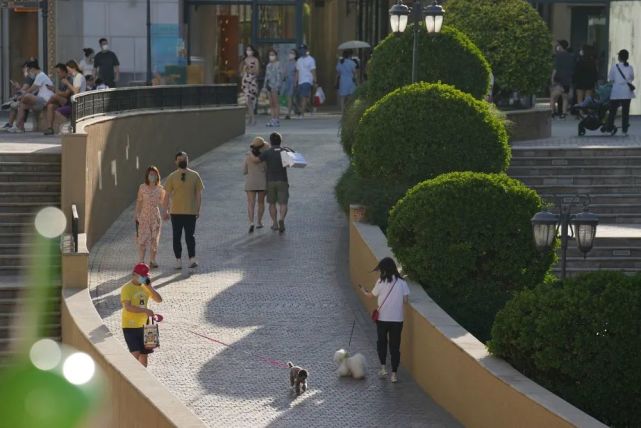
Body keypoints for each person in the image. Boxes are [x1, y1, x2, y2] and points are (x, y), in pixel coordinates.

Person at [360, 257, 410, 383]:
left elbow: (370, 296)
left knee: (381, 343)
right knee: (395, 347)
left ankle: (383, 368)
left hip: (382, 319)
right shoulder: (402, 282)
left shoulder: (381, 282)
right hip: (397, 320)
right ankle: (394, 374)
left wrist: (363, 290)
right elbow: (405, 300)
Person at [162, 152, 204, 269]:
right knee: (176, 236)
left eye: (184, 158)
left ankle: (192, 259)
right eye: (180, 159)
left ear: (188, 160)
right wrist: (165, 210)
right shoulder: (172, 176)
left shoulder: (195, 175)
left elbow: (198, 194)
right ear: (176, 162)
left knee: (190, 236)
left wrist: (198, 209)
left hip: (190, 212)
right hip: (175, 212)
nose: (182, 160)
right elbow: (166, 195)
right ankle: (178, 260)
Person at [120, 263, 162, 367]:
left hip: (146, 326)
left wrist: (150, 288)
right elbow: (128, 307)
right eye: (142, 275)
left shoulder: (146, 287)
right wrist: (145, 311)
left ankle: (141, 381)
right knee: (135, 354)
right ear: (134, 274)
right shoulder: (126, 288)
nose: (145, 278)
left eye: (146, 275)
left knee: (144, 356)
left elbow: (159, 300)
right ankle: (129, 377)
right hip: (130, 326)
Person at [249, 132, 289, 233]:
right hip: (283, 180)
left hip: (270, 181)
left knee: (272, 203)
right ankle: (282, 219)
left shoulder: (267, 152)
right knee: (283, 203)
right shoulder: (285, 151)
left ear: (270, 142)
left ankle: (275, 223)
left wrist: (249, 154)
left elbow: (256, 160)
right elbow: (289, 164)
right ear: (280, 141)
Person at [9, 60, 54, 133]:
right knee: (22, 105)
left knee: (26, 97)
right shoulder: (38, 76)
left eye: (29, 71)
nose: (29, 73)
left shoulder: (41, 75)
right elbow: (33, 91)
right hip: (39, 101)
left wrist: (21, 96)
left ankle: (17, 124)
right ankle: (19, 127)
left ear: (32, 69)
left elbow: (32, 89)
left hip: (45, 100)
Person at [136, 166, 167, 267]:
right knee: (142, 238)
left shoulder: (160, 189)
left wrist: (167, 211)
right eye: (150, 174)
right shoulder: (142, 187)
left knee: (154, 238)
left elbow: (164, 202)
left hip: (155, 216)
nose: (152, 176)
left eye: (154, 174)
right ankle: (141, 261)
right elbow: (139, 201)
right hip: (144, 216)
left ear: (157, 176)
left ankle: (153, 260)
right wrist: (137, 214)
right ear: (147, 175)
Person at [606, 49, 635, 136]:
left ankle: (610, 129)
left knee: (612, 112)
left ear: (619, 57)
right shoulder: (630, 67)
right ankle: (624, 130)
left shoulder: (614, 67)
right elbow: (632, 78)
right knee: (625, 112)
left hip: (616, 92)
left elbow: (611, 78)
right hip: (626, 93)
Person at [49, 60, 87, 126]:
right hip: (73, 102)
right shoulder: (74, 77)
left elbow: (76, 92)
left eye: (68, 69)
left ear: (74, 68)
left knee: (57, 112)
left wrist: (67, 83)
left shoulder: (78, 77)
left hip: (78, 103)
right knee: (51, 106)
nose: (68, 71)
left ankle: (69, 126)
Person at [243, 137, 269, 233]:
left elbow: (244, 171)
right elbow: (267, 169)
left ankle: (251, 222)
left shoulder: (248, 156)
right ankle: (259, 222)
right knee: (261, 203)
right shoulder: (265, 156)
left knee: (251, 203)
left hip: (250, 182)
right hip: (262, 182)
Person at [1, 61, 35, 130]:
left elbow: (23, 90)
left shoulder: (29, 78)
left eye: (24, 68)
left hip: (29, 99)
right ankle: (10, 124)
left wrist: (18, 87)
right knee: (14, 105)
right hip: (26, 98)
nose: (23, 70)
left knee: (16, 104)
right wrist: (16, 88)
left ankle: (16, 125)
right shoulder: (29, 78)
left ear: (27, 68)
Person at [42, 63, 73, 135]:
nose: (58, 74)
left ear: (64, 72)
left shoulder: (69, 80)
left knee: (54, 96)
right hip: (61, 102)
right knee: (50, 106)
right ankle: (50, 128)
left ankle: (45, 104)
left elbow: (66, 94)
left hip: (68, 102)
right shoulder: (61, 80)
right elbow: (59, 92)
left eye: (58, 72)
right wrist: (53, 89)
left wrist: (55, 91)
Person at [550, 40, 575, 118]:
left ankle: (552, 112)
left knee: (553, 97)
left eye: (558, 45)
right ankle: (564, 113)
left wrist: (552, 78)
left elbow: (555, 69)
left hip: (559, 80)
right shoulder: (571, 56)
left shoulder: (558, 56)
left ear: (561, 46)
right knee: (565, 97)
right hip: (567, 80)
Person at [240, 45, 260, 126]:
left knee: (251, 100)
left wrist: (250, 68)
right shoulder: (244, 60)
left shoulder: (255, 60)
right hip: (245, 81)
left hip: (252, 81)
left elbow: (257, 71)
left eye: (250, 50)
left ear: (253, 51)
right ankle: (252, 118)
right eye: (247, 50)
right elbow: (241, 71)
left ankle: (251, 118)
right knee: (247, 100)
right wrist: (244, 69)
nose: (248, 51)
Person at [295, 44, 316, 118]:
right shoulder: (299, 60)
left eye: (303, 49)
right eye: (300, 49)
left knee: (303, 97)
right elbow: (297, 72)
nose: (302, 51)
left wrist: (315, 80)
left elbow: (313, 71)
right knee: (304, 98)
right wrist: (296, 81)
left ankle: (301, 114)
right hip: (300, 81)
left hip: (307, 81)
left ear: (306, 50)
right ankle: (311, 109)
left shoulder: (311, 59)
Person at [263, 49, 283, 127]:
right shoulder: (268, 65)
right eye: (270, 55)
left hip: (275, 86)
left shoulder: (278, 64)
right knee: (271, 103)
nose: (271, 56)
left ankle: (277, 119)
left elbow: (279, 76)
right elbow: (266, 76)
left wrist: (277, 86)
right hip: (269, 86)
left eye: (273, 55)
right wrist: (264, 87)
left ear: (276, 56)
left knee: (276, 102)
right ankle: (272, 118)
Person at [281, 49, 298, 120]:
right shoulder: (286, 63)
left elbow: (297, 73)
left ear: (295, 55)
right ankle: (298, 109)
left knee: (289, 97)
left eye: (292, 53)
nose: (291, 54)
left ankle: (288, 114)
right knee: (290, 98)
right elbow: (284, 72)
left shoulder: (296, 63)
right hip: (286, 81)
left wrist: (295, 82)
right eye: (290, 53)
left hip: (292, 81)